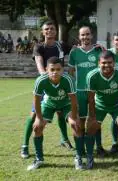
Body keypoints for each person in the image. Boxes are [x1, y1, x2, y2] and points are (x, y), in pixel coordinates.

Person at [21, 21, 73, 159]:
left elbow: (77, 49)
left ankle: (64, 139)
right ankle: (25, 146)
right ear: (43, 32)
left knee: (61, 112)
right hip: (45, 84)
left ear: (55, 31)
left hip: (60, 83)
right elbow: (39, 64)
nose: (49, 31)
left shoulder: (61, 45)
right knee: (34, 115)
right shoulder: (39, 47)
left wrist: (98, 48)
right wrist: (47, 76)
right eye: (46, 29)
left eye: (52, 28)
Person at [27, 57, 83, 170]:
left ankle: (79, 158)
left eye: (58, 69)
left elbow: (73, 100)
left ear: (63, 70)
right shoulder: (40, 80)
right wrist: (38, 118)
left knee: (76, 125)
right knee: (37, 127)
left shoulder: (69, 79)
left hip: (66, 104)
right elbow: (37, 100)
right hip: (49, 103)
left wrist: (74, 117)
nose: (55, 72)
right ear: (47, 69)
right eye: (52, 69)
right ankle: (39, 159)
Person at [85, 50, 118, 169]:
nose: (107, 65)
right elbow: (90, 99)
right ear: (98, 63)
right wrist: (91, 117)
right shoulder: (92, 76)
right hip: (99, 105)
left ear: (114, 63)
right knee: (91, 128)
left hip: (117, 105)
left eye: (110, 62)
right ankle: (90, 158)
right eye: (104, 63)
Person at [68, 26, 106, 157]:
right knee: (82, 120)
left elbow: (105, 66)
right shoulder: (74, 52)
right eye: (82, 35)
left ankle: (99, 146)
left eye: (87, 34)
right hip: (80, 91)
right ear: (79, 37)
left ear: (92, 36)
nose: (85, 37)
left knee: (96, 120)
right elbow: (71, 72)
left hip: (96, 91)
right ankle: (82, 147)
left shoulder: (98, 51)